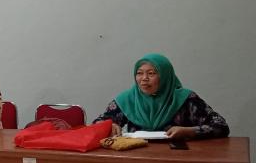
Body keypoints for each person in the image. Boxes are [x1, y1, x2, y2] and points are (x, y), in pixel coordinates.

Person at [93, 53, 229, 140]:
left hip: (180, 158)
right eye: (139, 73)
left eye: (151, 73)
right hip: (137, 157)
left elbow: (221, 126)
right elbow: (97, 123)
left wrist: (189, 131)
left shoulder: (185, 99)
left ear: (164, 77)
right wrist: (110, 126)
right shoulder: (128, 99)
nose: (144, 78)